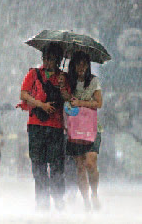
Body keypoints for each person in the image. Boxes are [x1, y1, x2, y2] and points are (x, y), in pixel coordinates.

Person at [19, 42, 71, 211]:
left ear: (58, 60)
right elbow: (24, 94)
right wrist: (41, 105)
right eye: (46, 58)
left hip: (56, 127)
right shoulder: (34, 74)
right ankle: (42, 201)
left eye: (52, 59)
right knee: (38, 165)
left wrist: (62, 85)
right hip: (36, 126)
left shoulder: (63, 77)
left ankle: (58, 198)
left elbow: (68, 99)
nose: (48, 62)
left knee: (56, 165)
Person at [66, 51, 103, 211]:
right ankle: (86, 200)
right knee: (80, 166)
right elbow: (65, 101)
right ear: (73, 65)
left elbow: (99, 103)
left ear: (88, 65)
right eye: (78, 63)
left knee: (90, 162)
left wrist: (80, 102)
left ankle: (94, 193)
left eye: (84, 64)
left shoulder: (93, 81)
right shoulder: (68, 83)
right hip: (75, 129)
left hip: (92, 128)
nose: (81, 67)